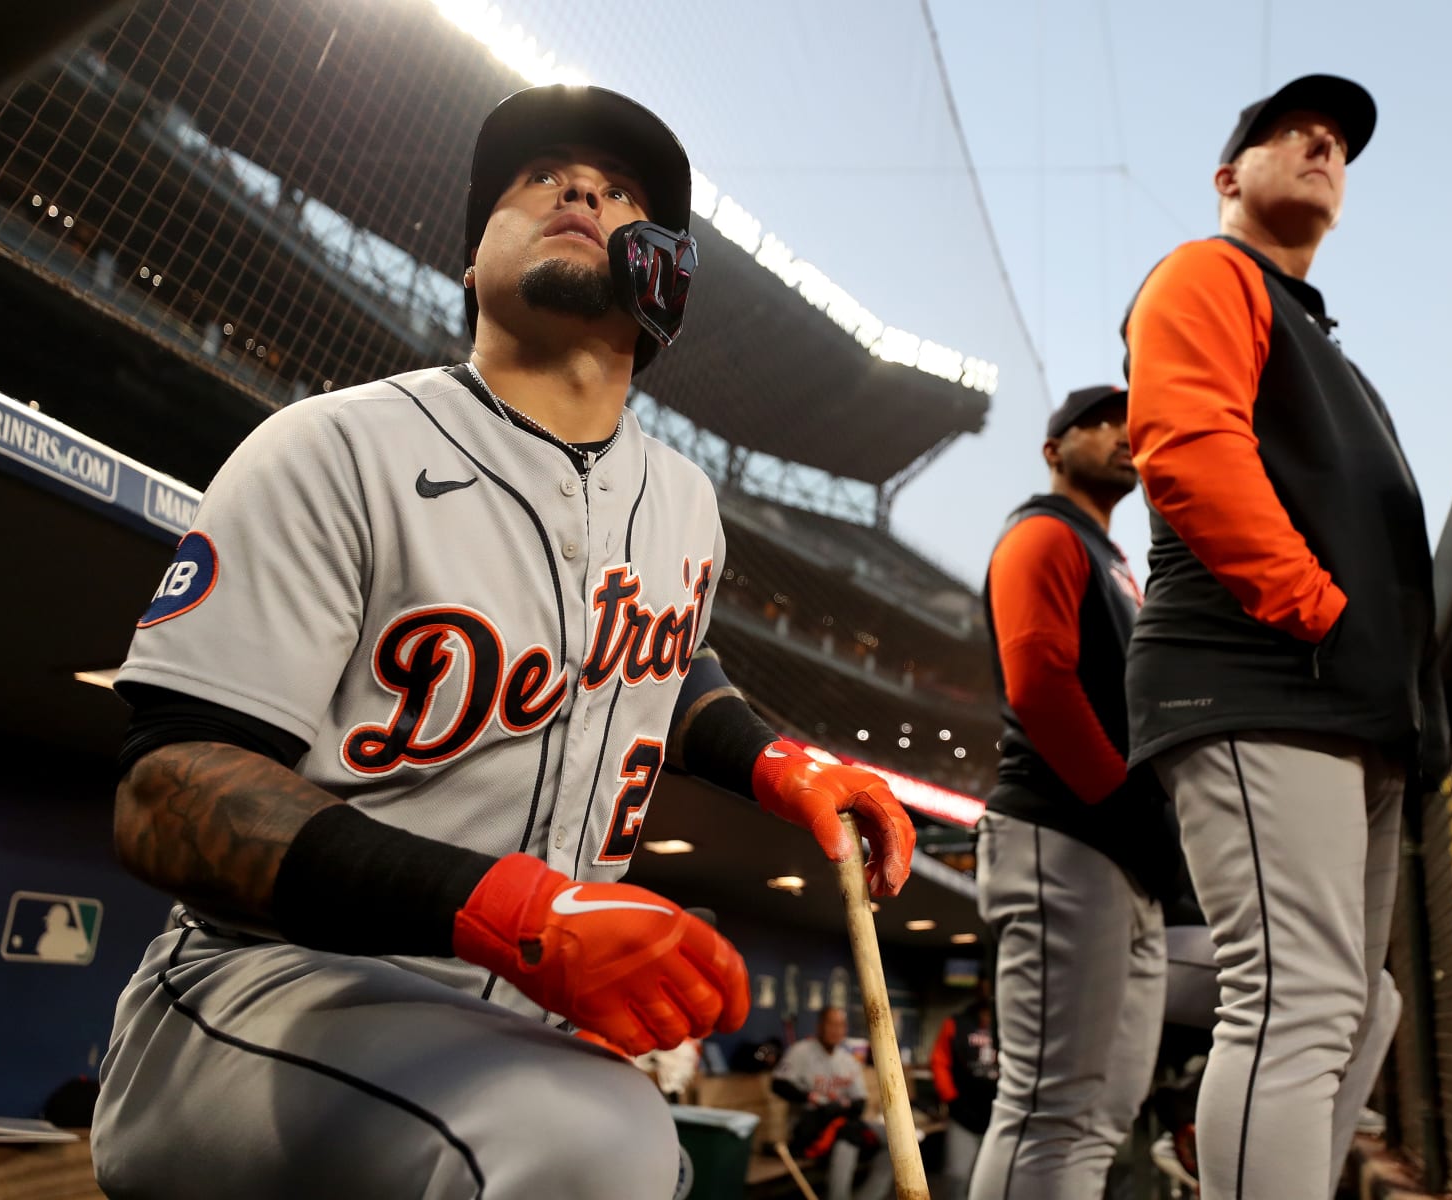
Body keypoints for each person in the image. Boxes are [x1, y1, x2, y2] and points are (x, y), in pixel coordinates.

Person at [87, 84, 916, 1200]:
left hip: (519, 1029)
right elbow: (168, 790)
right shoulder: (334, 446)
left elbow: (660, 671)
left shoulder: (684, 504)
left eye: (619, 191)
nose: (577, 187)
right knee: (594, 1141)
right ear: (471, 267)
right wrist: (512, 908)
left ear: (662, 276)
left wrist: (777, 761)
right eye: (537, 178)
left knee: (624, 1142)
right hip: (271, 992)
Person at [1120, 74, 1450, 1200]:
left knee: (1359, 1004)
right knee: (1299, 999)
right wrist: (1318, 611)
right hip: (1260, 675)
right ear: (1229, 177)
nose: (1322, 143)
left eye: (1339, 143)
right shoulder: (1206, 270)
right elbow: (1186, 449)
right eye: (1291, 132)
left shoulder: (1329, 350)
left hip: (1338, 697)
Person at [968, 385, 1181, 1199]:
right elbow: (1043, 687)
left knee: (1101, 1115)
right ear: (1054, 449)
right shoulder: (1042, 532)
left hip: (1115, 851)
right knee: (1045, 1108)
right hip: (1065, 832)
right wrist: (1131, 808)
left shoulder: (1116, 560)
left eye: (1132, 422)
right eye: (1099, 422)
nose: (1123, 433)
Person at [772, 1007, 893, 1200]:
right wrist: (812, 1098)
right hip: (809, 1129)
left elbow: (860, 1102)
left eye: (841, 1025)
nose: (836, 1030)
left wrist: (839, 1107)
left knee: (893, 1138)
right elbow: (779, 1084)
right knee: (848, 1138)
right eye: (831, 1024)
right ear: (820, 1026)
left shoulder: (847, 1060)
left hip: (841, 1122)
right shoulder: (801, 1051)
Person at [929, 977, 1000, 1197]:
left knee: (994, 1182)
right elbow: (939, 1062)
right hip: (963, 1115)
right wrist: (951, 1098)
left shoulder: (1011, 1024)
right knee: (958, 1177)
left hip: (1000, 1117)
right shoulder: (957, 1023)